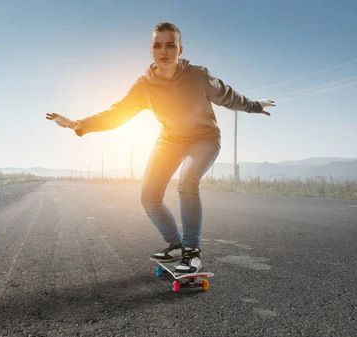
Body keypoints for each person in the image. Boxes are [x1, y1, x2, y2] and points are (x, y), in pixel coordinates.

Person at [45, 22, 275, 274]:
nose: (163, 51)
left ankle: (192, 252)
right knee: (149, 197)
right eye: (157, 46)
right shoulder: (144, 85)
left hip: (204, 138)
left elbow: (228, 96)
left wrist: (254, 106)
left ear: (180, 49)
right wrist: (79, 124)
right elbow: (117, 114)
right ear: (151, 50)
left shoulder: (198, 75)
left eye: (170, 45)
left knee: (187, 183)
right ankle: (175, 244)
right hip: (170, 140)